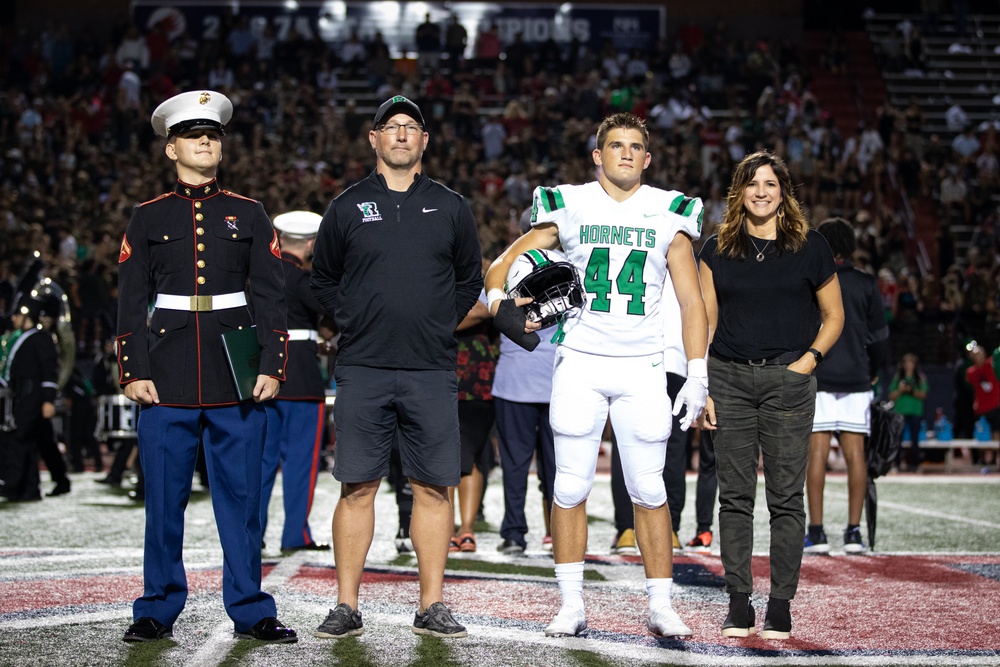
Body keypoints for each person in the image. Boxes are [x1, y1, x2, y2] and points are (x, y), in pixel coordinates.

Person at [484, 112, 709, 639]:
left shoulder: (668, 212)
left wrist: (697, 370)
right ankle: (570, 602)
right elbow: (501, 266)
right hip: (580, 362)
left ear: (647, 158)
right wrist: (501, 304)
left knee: (650, 488)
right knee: (569, 484)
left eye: (635, 146)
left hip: (643, 367)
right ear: (597, 155)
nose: (626, 153)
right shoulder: (571, 204)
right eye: (615, 145)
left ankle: (660, 602)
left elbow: (692, 301)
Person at [116, 90, 297, 644]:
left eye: (213, 135)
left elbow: (270, 296)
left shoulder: (249, 213)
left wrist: (273, 363)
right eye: (194, 135)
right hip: (164, 375)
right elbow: (129, 298)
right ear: (171, 148)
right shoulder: (147, 217)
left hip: (235, 375)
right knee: (163, 504)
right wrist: (131, 368)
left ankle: (250, 607)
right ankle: (155, 607)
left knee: (241, 505)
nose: (205, 141)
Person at [310, 95, 482, 639]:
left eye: (412, 127)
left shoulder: (452, 207)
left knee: (433, 486)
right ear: (374, 139)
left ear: (425, 141)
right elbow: (322, 279)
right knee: (356, 484)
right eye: (392, 127)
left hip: (431, 367)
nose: (402, 135)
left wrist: (437, 323)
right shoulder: (345, 206)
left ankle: (431, 604)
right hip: (363, 365)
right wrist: (353, 319)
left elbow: (468, 279)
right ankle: (346, 605)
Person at [698, 150, 843, 640]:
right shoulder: (716, 249)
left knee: (786, 498)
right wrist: (703, 384)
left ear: (784, 192)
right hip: (729, 380)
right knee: (734, 498)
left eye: (770, 184)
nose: (761, 192)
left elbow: (834, 316)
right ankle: (739, 602)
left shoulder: (811, 245)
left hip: (789, 381)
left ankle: (780, 604)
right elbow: (706, 320)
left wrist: (808, 363)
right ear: (739, 192)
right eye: (752, 183)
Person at [805, 217, 888, 555]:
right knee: (856, 456)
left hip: (821, 374)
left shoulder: (813, 280)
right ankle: (854, 533)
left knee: (817, 455)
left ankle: (817, 531)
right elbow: (881, 338)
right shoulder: (867, 284)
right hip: (856, 374)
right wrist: (876, 371)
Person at [260, 210, 331, 553]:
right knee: (300, 464)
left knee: (259, 464)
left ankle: (252, 533)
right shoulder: (303, 279)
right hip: (301, 378)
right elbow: (335, 305)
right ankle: (295, 534)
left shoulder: (259, 276)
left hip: (262, 379)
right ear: (310, 244)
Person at [0, 269, 60, 502]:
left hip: (33, 394)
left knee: (18, 438)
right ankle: (29, 488)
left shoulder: (40, 337)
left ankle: (12, 483)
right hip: (23, 394)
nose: (13, 319)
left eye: (17, 315)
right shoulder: (25, 337)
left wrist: (48, 399)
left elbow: (49, 369)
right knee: (28, 441)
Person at [450, 283, 498, 553]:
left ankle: (466, 529)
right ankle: (447, 528)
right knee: (445, 458)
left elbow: (483, 310)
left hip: (477, 382)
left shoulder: (487, 285)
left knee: (469, 456)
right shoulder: (436, 282)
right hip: (439, 379)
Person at [890, 352, 929, 471]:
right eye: (906, 363)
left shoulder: (919, 377)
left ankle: (915, 464)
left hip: (915, 412)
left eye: (911, 363)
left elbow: (923, 394)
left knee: (915, 439)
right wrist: (901, 390)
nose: (908, 366)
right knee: (898, 440)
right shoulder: (898, 377)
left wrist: (911, 391)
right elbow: (892, 395)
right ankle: (896, 464)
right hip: (900, 412)